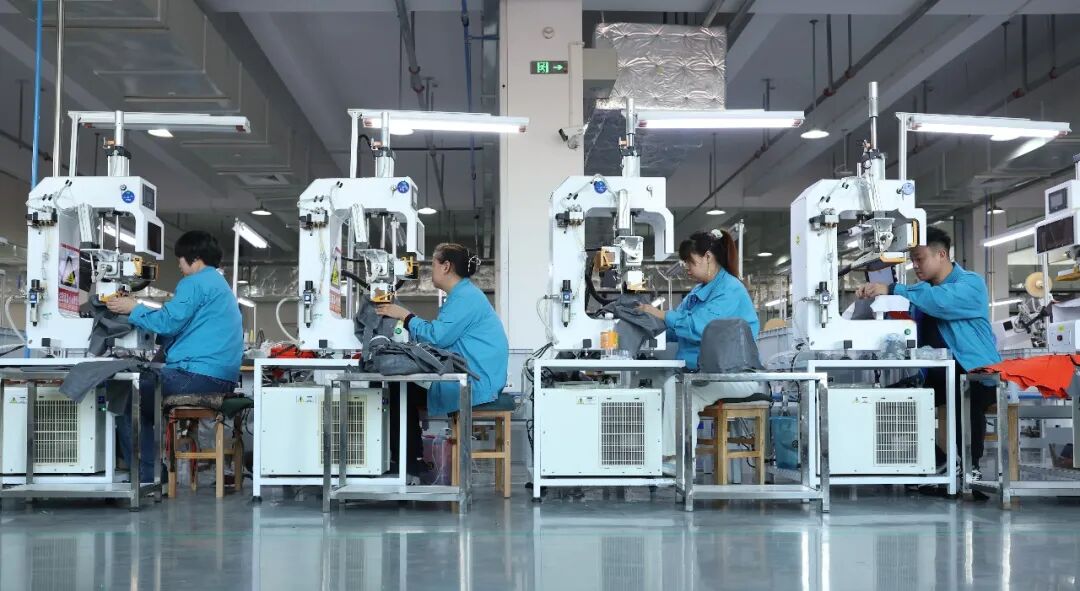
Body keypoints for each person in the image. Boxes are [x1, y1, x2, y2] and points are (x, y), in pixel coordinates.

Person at [856, 226, 1000, 479]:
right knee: (887, 403)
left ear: (941, 255)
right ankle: (940, 463)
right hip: (936, 374)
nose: (915, 265)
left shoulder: (971, 283)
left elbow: (941, 302)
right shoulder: (921, 291)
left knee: (963, 395)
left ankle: (970, 468)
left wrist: (892, 289)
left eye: (919, 259)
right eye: (912, 260)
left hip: (975, 371)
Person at [106, 231, 243, 481]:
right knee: (145, 394)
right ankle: (150, 469)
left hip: (196, 377)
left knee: (126, 395)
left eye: (180, 258)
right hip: (222, 379)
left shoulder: (195, 282)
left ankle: (145, 476)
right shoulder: (220, 285)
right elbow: (183, 326)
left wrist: (133, 308)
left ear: (195, 258)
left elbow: (168, 322)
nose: (179, 265)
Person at [375, 243, 509, 478]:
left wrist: (404, 316)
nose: (431, 270)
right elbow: (442, 337)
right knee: (402, 388)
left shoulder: (465, 298)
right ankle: (412, 459)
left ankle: (408, 464)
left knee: (398, 389)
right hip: (478, 377)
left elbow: (437, 337)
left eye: (434, 264)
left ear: (446, 266)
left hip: (475, 384)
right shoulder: (465, 295)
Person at [637, 229, 762, 460]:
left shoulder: (730, 290)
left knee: (679, 389)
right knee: (662, 385)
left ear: (708, 257)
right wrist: (646, 328)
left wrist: (661, 314)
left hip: (737, 376)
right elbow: (677, 328)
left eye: (691, 262)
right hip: (711, 374)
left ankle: (677, 463)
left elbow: (700, 327)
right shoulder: (698, 292)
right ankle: (663, 458)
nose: (687, 268)